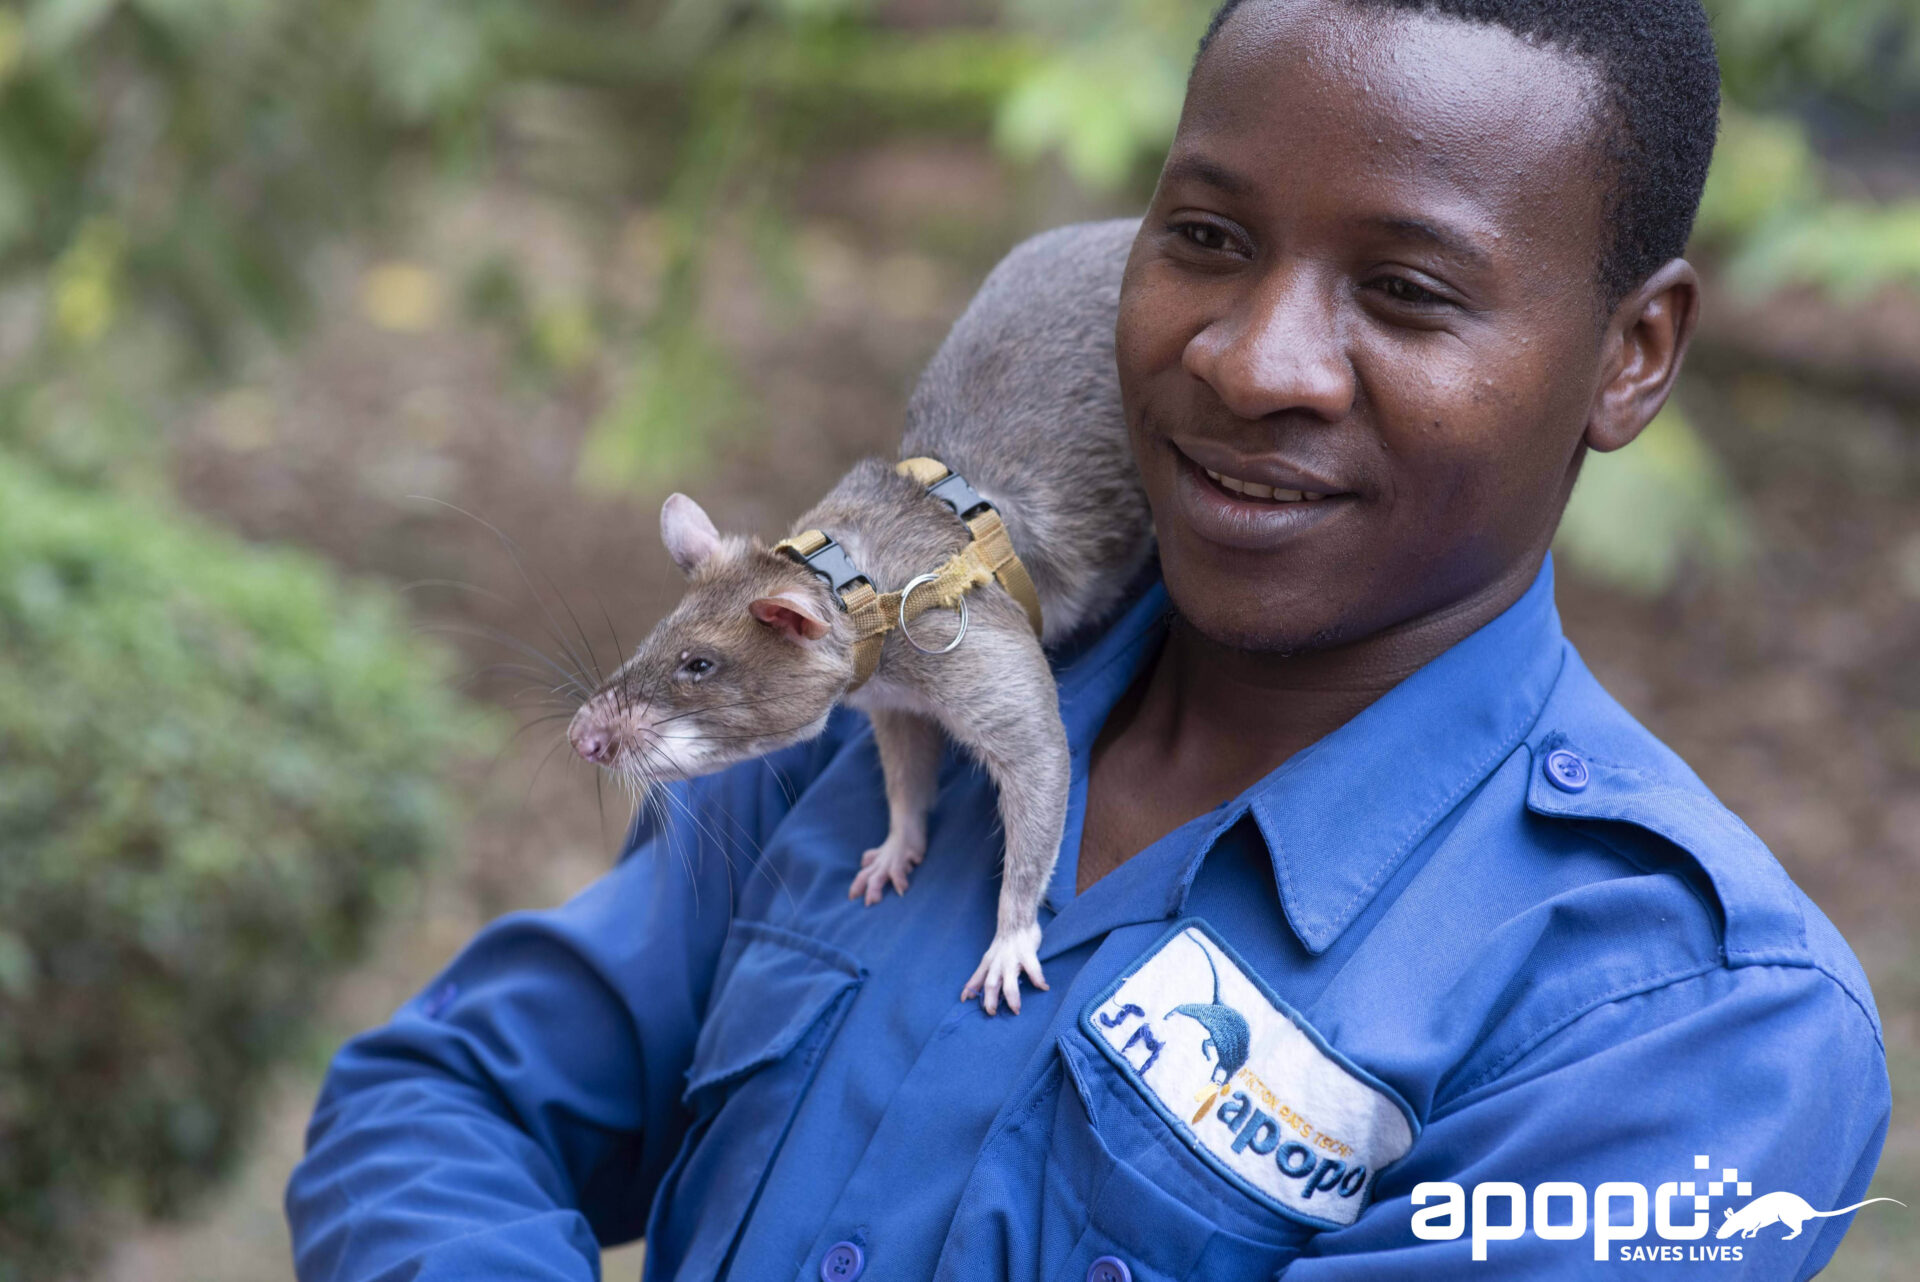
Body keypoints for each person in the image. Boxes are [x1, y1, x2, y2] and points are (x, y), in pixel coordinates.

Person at [287, 1, 1893, 1278]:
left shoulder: (1687, 1023)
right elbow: (439, 1101)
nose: (1253, 360)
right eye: (1204, 237)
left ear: (1633, 355)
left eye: (1405, 290)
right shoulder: (877, 730)